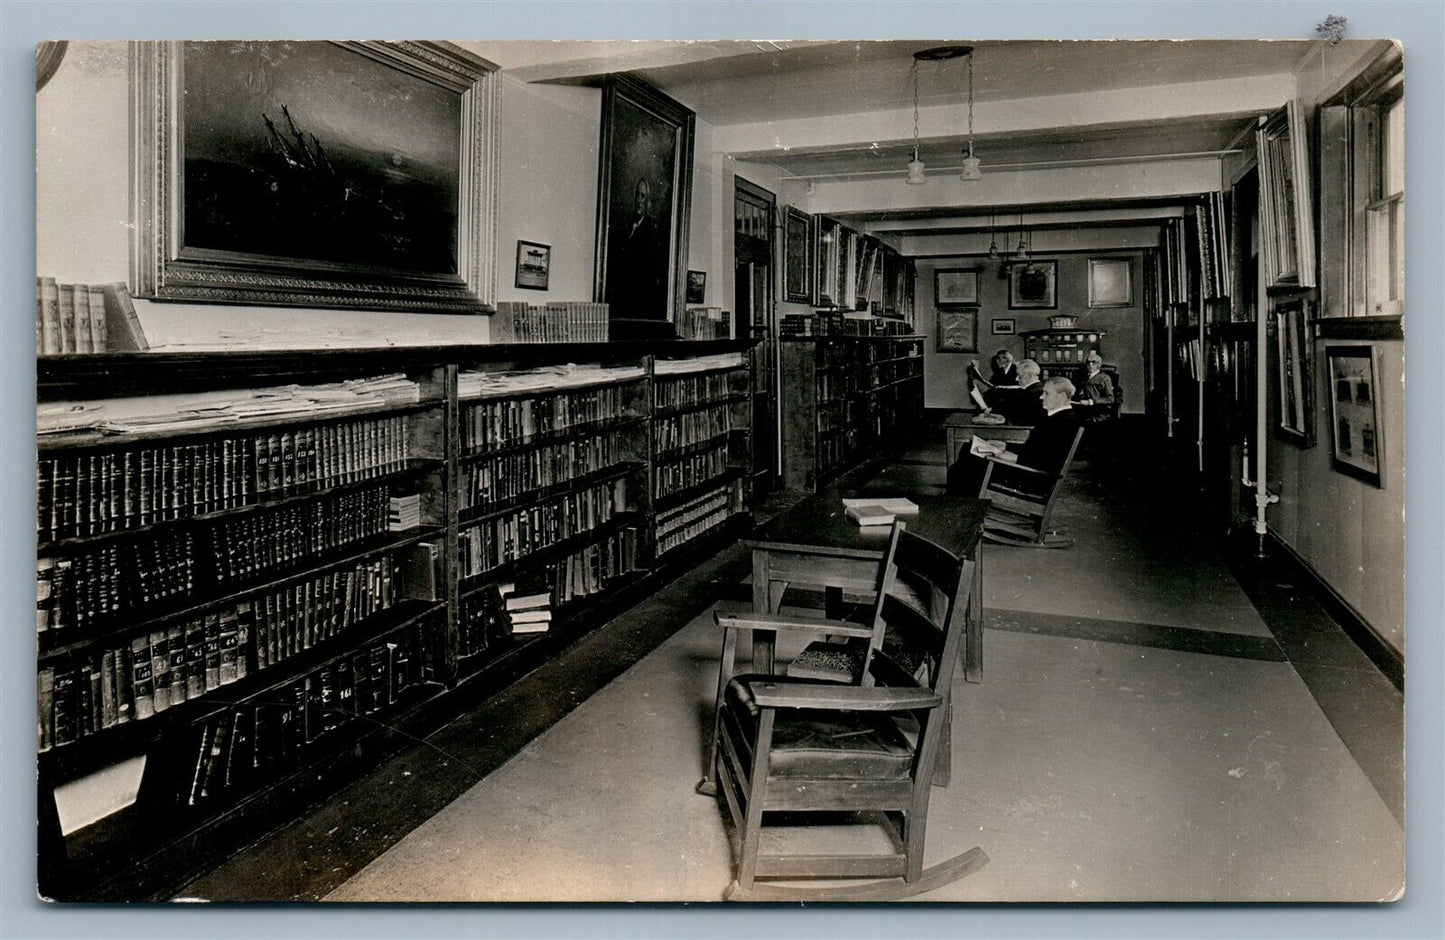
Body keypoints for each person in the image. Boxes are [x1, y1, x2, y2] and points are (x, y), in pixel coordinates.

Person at [949, 376, 1081, 496]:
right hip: (1027, 469)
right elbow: (1035, 450)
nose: (1041, 397)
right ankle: (958, 501)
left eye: (1046, 393)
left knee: (971, 463)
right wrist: (1005, 445)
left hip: (1032, 477)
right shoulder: (1056, 417)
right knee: (969, 448)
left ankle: (961, 507)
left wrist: (1008, 456)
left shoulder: (1065, 422)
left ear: (1062, 396)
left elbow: (1047, 461)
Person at [978, 358, 1045, 426]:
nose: (1016, 379)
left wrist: (992, 412)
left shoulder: (1031, 394)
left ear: (1028, 376)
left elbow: (1016, 414)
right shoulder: (1037, 389)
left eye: (1019, 376)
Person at [1074, 352, 1115, 423]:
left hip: (1099, 415)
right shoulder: (1086, 378)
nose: (1090, 365)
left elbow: (1110, 398)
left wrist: (1091, 402)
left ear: (1099, 365)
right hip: (1086, 414)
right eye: (1088, 362)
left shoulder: (1104, 378)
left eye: (1093, 362)